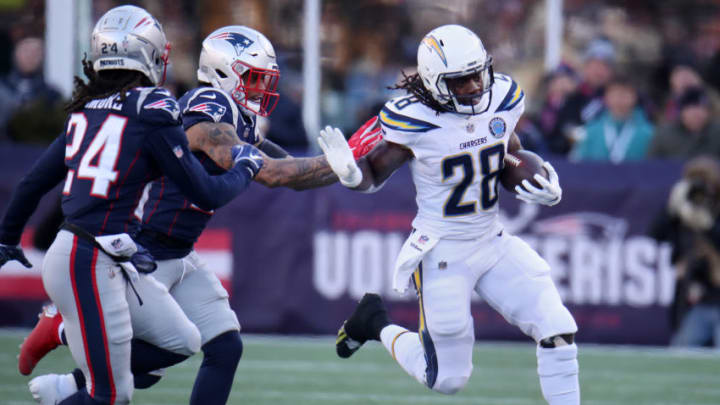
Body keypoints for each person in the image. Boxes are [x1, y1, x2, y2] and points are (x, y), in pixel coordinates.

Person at [13, 25, 382, 405]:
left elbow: (287, 171)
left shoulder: (238, 116)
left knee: (225, 346)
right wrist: (337, 162)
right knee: (143, 368)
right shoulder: (208, 104)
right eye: (254, 79)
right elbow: (270, 173)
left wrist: (350, 163)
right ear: (224, 72)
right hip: (144, 250)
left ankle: (70, 378)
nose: (261, 90)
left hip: (178, 250)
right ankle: (64, 346)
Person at [0, 7, 267, 405]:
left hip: (105, 251)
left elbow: (34, 182)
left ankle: (69, 364)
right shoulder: (153, 110)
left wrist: (7, 238)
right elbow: (206, 193)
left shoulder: (86, 111)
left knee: (184, 342)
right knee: (112, 394)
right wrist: (245, 168)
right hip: (94, 255)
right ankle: (69, 361)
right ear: (149, 55)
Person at [319, 24, 579, 404]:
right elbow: (373, 175)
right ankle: (374, 323)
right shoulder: (415, 119)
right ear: (434, 82)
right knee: (446, 378)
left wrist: (541, 185)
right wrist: (351, 174)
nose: (475, 86)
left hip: (492, 240)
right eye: (461, 81)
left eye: (478, 74)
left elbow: (508, 153)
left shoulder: (502, 96)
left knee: (558, 328)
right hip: (442, 251)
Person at [649, 156, 720, 347]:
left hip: (715, 291)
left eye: (705, 181)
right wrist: (672, 207)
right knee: (681, 350)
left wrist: (709, 226)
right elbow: (656, 233)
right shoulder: (684, 209)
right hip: (698, 299)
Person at [571, 76, 654, 163]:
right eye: (615, 94)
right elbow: (577, 162)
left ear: (634, 97)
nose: (619, 99)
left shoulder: (648, 133)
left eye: (624, 94)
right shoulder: (590, 131)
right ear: (606, 97)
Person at [649, 87, 720, 160]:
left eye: (703, 108)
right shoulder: (665, 135)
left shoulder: (717, 133)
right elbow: (650, 165)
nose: (698, 113)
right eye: (692, 108)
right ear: (682, 112)